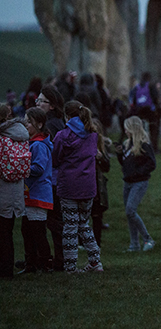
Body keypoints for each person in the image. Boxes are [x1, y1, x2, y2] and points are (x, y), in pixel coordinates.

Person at [52, 101, 102, 273]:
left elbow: (56, 159)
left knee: (70, 226)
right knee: (83, 224)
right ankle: (95, 261)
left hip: (69, 186)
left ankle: (70, 266)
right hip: (88, 187)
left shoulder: (62, 136)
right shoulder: (92, 135)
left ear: (66, 116)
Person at [19, 107, 53, 274]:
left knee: (38, 231)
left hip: (38, 194)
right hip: (30, 194)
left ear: (39, 124)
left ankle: (45, 262)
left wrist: (20, 167)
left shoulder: (39, 145)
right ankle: (31, 262)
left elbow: (38, 168)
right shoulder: (32, 143)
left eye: (29, 122)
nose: (26, 125)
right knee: (27, 230)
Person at [36, 85, 65, 270]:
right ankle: (47, 259)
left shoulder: (52, 125)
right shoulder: (54, 122)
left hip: (52, 179)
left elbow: (54, 155)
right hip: (53, 178)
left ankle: (57, 260)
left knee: (53, 222)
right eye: (37, 100)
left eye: (42, 101)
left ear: (52, 105)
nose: (37, 103)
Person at [0, 105, 31, 278]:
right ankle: (7, 269)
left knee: (2, 234)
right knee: (8, 232)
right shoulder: (21, 134)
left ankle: (4, 270)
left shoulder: (1, 137)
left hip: (2, 189)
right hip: (16, 189)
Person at [118, 116, 157, 252]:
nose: (125, 131)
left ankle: (148, 238)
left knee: (130, 210)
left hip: (139, 182)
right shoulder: (126, 144)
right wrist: (118, 154)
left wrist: (139, 172)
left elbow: (152, 163)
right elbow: (125, 164)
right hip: (127, 182)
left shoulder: (144, 145)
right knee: (129, 214)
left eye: (127, 128)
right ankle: (134, 244)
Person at [91, 119, 112, 247]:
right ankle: (82, 241)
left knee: (96, 215)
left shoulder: (101, 147)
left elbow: (107, 167)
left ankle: (96, 243)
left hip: (97, 185)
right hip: (85, 182)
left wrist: (100, 158)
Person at [129, 72, 159, 147]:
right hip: (150, 110)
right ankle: (154, 146)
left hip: (140, 110)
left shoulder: (137, 86)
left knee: (140, 128)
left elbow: (134, 99)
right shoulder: (151, 86)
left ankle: (140, 144)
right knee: (153, 128)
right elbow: (155, 97)